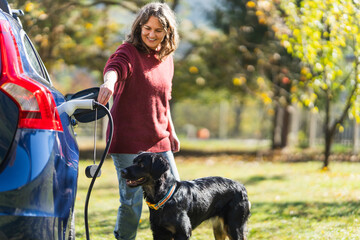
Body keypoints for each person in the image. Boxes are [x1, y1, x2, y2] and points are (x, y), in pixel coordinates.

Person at [97, 2, 180, 240]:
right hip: (128, 140)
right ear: (138, 28)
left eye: (158, 30)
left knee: (173, 195)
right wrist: (109, 82)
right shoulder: (128, 51)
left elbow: (165, 99)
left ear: (167, 32)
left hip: (159, 139)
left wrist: (171, 131)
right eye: (147, 28)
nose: (151, 34)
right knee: (132, 202)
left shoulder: (167, 59)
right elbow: (115, 67)